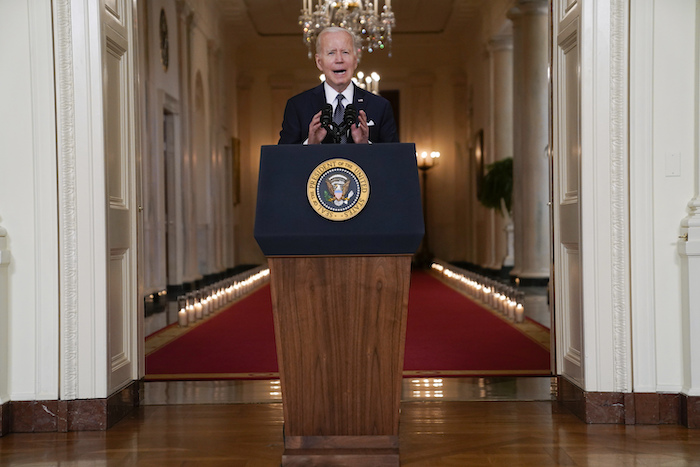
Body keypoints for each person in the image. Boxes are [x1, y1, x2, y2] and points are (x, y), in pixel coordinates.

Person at [278, 27, 398, 144]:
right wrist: (310, 145)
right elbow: (282, 159)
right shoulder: (297, 106)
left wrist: (365, 145)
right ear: (319, 62)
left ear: (355, 60)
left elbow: (394, 159)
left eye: (345, 52)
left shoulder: (380, 107)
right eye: (331, 53)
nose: (339, 59)